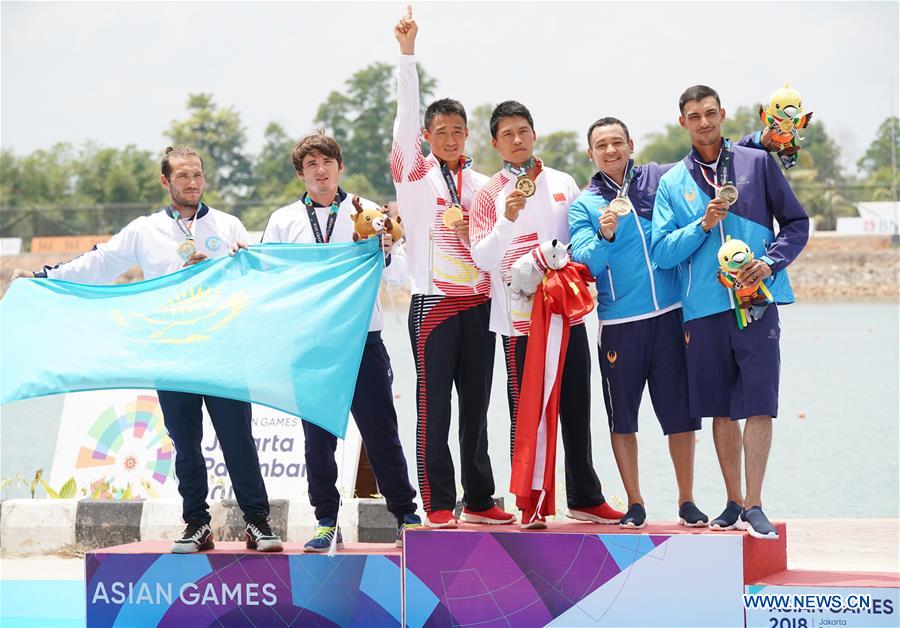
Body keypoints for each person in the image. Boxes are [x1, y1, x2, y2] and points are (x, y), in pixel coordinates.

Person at [11, 147, 283, 554]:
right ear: (165, 181)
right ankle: (196, 523)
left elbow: (261, 275)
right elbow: (100, 263)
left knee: (238, 440)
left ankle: (257, 523)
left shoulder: (228, 225)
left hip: (225, 351)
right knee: (186, 444)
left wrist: (244, 262)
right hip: (173, 354)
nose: (192, 183)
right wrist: (44, 275)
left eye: (198, 176)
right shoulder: (145, 230)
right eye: (183, 176)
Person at [568, 118, 779, 529]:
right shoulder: (585, 204)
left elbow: (704, 152)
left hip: (671, 316)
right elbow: (586, 262)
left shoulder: (657, 179)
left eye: (617, 142)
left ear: (631, 144)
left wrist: (759, 141)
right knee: (623, 419)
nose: (610, 151)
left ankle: (686, 500)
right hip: (619, 322)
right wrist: (606, 235)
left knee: (680, 416)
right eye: (601, 145)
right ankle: (635, 502)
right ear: (590, 153)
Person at [651, 85, 809, 540]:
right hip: (703, 310)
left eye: (709, 113)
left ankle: (756, 503)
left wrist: (771, 262)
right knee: (721, 408)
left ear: (721, 114)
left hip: (757, 302)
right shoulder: (673, 183)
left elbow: (797, 224)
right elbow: (662, 253)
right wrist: (703, 225)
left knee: (759, 403)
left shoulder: (757, 164)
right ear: (682, 122)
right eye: (693, 116)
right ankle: (733, 501)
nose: (703, 122)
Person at [262, 131, 423, 550]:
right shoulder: (283, 221)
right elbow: (270, 277)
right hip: (312, 346)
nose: (321, 170)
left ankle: (405, 514)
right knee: (317, 440)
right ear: (301, 173)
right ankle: (325, 520)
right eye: (311, 164)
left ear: (339, 166)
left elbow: (399, 276)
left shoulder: (368, 211)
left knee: (381, 432)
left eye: (327, 161)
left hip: (362, 341)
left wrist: (386, 251)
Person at [470, 101, 624, 528]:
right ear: (495, 143)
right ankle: (531, 502)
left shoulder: (562, 182)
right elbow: (481, 259)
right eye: (507, 135)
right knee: (528, 415)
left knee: (577, 407)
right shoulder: (488, 194)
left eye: (523, 131)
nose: (517, 140)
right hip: (520, 323)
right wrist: (507, 221)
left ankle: (585, 497)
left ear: (534, 134)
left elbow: (578, 241)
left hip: (566, 314)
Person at [392, 6, 513, 528]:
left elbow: (497, 245)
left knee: (477, 410)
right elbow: (403, 118)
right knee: (433, 409)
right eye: (439, 130)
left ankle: (481, 499)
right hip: (435, 305)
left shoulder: (486, 184)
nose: (449, 138)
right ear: (426, 135)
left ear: (467, 135)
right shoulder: (414, 178)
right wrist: (407, 56)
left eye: (457, 130)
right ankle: (438, 504)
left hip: (481, 307)